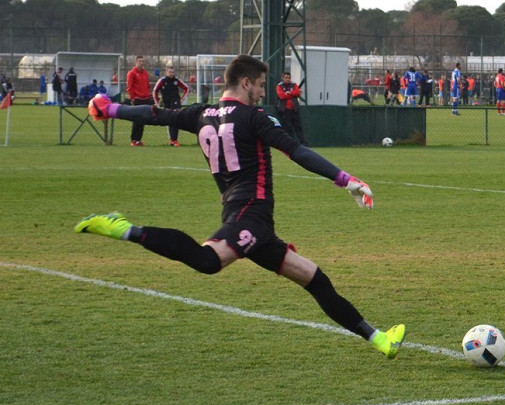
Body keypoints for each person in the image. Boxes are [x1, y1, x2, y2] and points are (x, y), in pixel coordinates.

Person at [79, 54, 406, 359]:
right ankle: (126, 230)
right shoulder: (255, 118)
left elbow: (153, 115)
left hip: (247, 218)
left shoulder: (200, 114)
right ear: (246, 82)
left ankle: (380, 339)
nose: (263, 92)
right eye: (261, 85)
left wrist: (109, 109)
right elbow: (296, 151)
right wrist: (345, 179)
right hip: (251, 215)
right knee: (208, 260)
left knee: (315, 279)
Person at [153, 66, 190, 146]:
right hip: (166, 103)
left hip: (176, 103)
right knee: (169, 121)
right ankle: (172, 139)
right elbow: (155, 90)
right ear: (166, 72)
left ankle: (174, 139)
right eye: (170, 72)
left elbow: (186, 88)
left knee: (175, 120)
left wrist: (182, 99)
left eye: (173, 72)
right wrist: (157, 101)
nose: (171, 74)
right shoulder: (162, 80)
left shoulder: (176, 80)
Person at [126, 55, 153, 146]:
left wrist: (149, 96)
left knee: (143, 121)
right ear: (136, 62)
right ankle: (134, 140)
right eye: (139, 61)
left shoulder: (145, 73)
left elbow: (147, 86)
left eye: (142, 61)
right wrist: (132, 98)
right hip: (137, 99)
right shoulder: (132, 73)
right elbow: (129, 87)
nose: (141, 63)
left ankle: (138, 139)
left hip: (145, 99)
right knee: (136, 120)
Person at [276, 71, 307, 146]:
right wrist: (292, 94)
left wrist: (289, 93)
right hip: (285, 110)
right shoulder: (279, 86)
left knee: (298, 126)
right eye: (286, 77)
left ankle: (303, 143)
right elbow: (282, 96)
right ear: (282, 78)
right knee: (288, 127)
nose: (288, 79)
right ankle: (292, 143)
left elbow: (297, 93)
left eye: (289, 78)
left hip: (294, 109)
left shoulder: (294, 84)